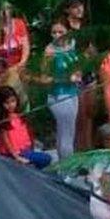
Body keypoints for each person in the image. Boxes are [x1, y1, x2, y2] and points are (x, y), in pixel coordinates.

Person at [39, 20, 80, 160]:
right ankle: (66, 167)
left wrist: (78, 73)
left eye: (60, 32)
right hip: (59, 95)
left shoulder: (72, 45)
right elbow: (44, 78)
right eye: (54, 32)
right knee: (65, 133)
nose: (57, 35)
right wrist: (65, 78)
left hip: (73, 93)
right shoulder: (49, 52)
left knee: (70, 132)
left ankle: (66, 164)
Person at [64, 0, 98, 152]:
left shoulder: (87, 26)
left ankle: (88, 148)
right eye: (74, 6)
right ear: (68, 10)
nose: (79, 9)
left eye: (80, 5)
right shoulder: (64, 28)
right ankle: (77, 150)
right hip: (74, 74)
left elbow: (93, 49)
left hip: (89, 72)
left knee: (90, 113)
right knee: (79, 115)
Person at [0, 87, 51, 169]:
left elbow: (26, 133)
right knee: (46, 158)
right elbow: (6, 141)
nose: (11, 105)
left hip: (24, 150)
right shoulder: (4, 120)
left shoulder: (19, 116)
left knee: (44, 158)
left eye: (13, 101)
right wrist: (16, 157)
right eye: (7, 103)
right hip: (14, 153)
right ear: (1, 104)